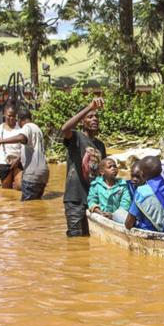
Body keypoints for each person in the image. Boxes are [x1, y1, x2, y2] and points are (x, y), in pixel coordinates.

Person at [60, 97, 107, 237]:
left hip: (93, 199)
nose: (94, 119)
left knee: (89, 238)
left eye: (96, 116)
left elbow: (102, 174)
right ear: (82, 122)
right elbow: (64, 128)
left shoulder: (100, 145)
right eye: (90, 117)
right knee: (76, 239)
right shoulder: (76, 137)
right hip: (75, 199)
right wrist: (89, 107)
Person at [125, 156, 164, 233]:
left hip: (149, 232)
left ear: (142, 173)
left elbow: (128, 224)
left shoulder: (141, 192)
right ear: (161, 170)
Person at [0, 106, 26, 189]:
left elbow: (25, 147)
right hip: (4, 162)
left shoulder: (21, 128)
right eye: (9, 116)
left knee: (19, 186)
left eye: (13, 116)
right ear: (4, 115)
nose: (11, 118)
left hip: (19, 161)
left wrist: (19, 158)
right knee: (6, 189)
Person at [88, 158, 131, 223]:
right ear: (102, 172)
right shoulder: (96, 185)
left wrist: (113, 215)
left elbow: (125, 203)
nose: (113, 168)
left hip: (117, 218)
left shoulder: (122, 185)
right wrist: (100, 212)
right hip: (100, 216)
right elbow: (91, 200)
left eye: (114, 166)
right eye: (109, 167)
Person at [19, 111, 49, 202]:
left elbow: (21, 138)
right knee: (36, 203)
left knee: (27, 207)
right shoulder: (37, 128)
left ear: (20, 120)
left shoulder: (26, 127)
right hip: (43, 173)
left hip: (31, 173)